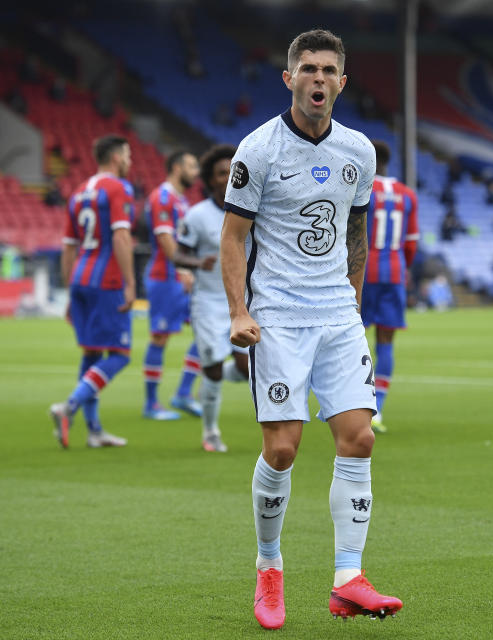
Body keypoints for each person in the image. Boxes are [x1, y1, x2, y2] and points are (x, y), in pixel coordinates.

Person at [220, 29, 403, 630]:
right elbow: (234, 237)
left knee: (360, 438)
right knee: (282, 448)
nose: (318, 79)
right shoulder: (259, 149)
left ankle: (348, 578)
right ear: (289, 78)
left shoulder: (359, 152)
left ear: (342, 82)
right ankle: (268, 568)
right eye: (308, 69)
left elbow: (356, 234)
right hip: (277, 319)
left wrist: (352, 303)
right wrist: (240, 313)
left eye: (329, 70)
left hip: (337, 319)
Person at [48, 135, 137, 449]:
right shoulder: (118, 189)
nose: (130, 162)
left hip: (80, 279)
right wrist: (129, 283)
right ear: (115, 158)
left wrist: (70, 291)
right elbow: (121, 237)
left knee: (91, 352)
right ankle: (68, 407)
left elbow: (68, 247)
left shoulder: (77, 193)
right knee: (120, 355)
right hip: (107, 281)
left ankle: (95, 430)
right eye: (127, 156)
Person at [176, 144, 249, 453]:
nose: (229, 176)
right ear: (210, 179)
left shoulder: (249, 211)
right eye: (222, 172)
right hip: (207, 302)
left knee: (247, 369)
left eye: (233, 170)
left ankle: (211, 381)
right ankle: (210, 432)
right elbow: (179, 254)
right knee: (213, 368)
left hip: (242, 301)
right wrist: (196, 263)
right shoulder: (197, 216)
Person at [142, 149, 206, 421]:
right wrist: (183, 267)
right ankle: (151, 404)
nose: (196, 172)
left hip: (180, 277)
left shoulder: (180, 200)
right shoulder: (163, 197)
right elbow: (165, 239)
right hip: (165, 278)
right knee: (160, 337)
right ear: (177, 167)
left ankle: (182, 393)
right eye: (192, 166)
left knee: (207, 330)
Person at [361, 139, 419, 434]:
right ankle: (377, 410)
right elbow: (411, 243)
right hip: (394, 271)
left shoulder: (362, 188)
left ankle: (348, 403)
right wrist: (402, 266)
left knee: (351, 339)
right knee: (386, 342)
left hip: (363, 271)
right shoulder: (407, 195)